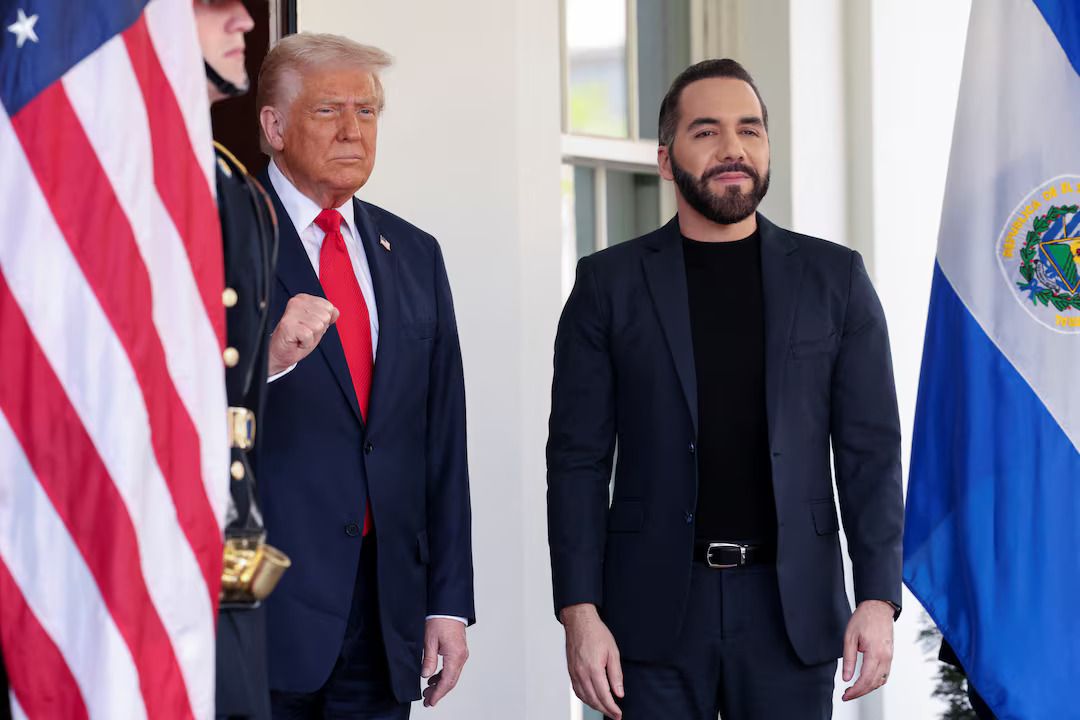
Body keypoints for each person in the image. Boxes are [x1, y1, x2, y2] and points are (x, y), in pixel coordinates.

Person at [547, 58, 904, 720]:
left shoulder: (836, 280)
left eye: (751, 130)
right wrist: (579, 610)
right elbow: (576, 461)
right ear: (665, 158)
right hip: (649, 613)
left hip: (789, 612)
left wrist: (879, 598)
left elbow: (871, 455)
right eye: (706, 131)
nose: (734, 149)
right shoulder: (608, 285)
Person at [251, 33, 474, 718]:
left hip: (387, 616)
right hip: (260, 607)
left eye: (368, 112)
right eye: (328, 111)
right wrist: (273, 362)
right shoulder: (220, 233)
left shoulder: (412, 252)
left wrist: (448, 601)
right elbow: (169, 404)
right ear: (275, 126)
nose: (353, 130)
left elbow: (441, 437)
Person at [194, 2, 293, 719]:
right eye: (207, 3)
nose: (243, 22)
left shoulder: (232, 190)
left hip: (228, 557)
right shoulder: (67, 175)